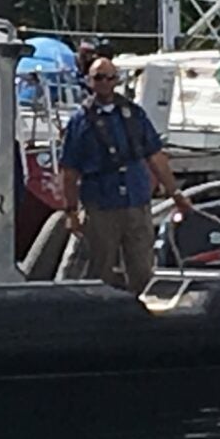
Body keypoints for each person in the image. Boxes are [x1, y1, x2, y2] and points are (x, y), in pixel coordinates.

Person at [58, 60, 179, 297]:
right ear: (90, 81)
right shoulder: (79, 121)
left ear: (117, 81)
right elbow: (69, 171)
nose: (105, 83)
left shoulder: (134, 114)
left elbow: (155, 156)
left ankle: (141, 316)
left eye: (110, 78)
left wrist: (174, 191)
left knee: (142, 269)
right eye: (99, 78)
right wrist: (71, 211)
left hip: (136, 202)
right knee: (99, 269)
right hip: (101, 205)